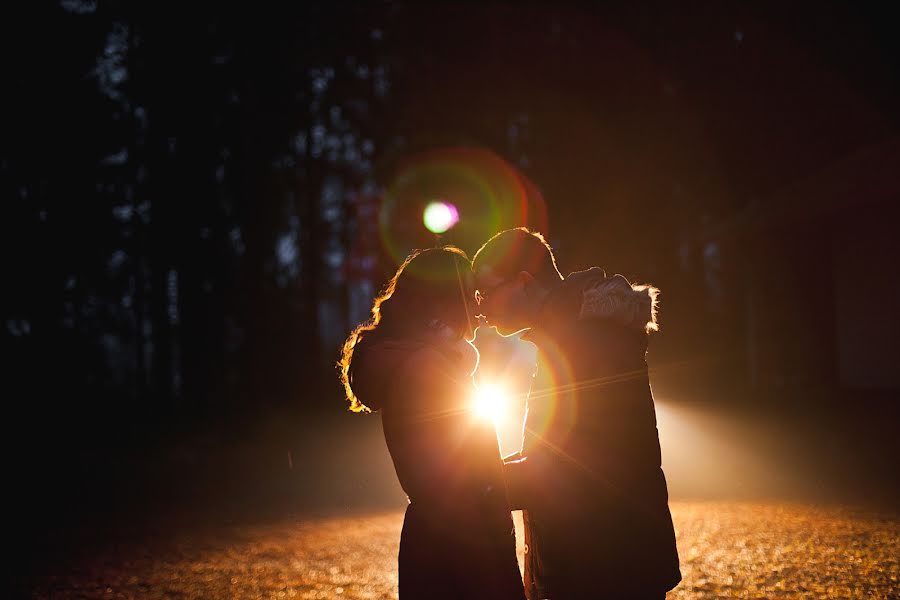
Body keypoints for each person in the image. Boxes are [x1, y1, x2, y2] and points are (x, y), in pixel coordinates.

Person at [473, 228, 681, 599]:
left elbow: (572, 469)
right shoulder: (572, 337)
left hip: (604, 564)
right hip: (605, 558)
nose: (480, 305)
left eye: (486, 292)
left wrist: (478, 487)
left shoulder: (586, 343)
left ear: (523, 282)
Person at [339, 246, 525, 600]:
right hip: (466, 547)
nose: (479, 305)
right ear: (443, 301)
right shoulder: (430, 370)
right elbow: (463, 474)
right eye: (471, 293)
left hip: (436, 542)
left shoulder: (421, 363)